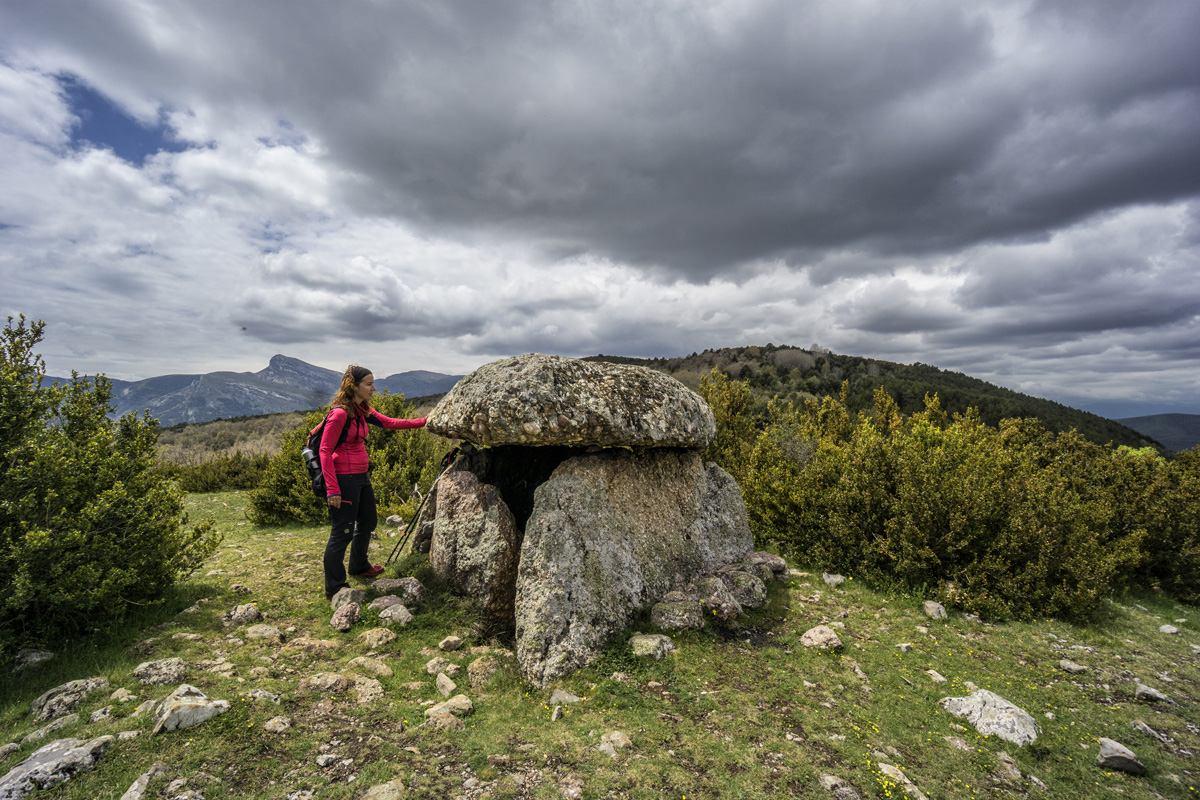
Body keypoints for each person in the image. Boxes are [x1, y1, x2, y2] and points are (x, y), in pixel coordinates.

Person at [319, 364, 426, 600]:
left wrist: (424, 421)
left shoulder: (362, 410)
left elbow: (389, 422)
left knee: (368, 521)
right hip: (343, 480)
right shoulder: (340, 414)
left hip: (361, 477)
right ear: (353, 386)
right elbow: (324, 451)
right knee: (342, 532)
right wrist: (332, 489)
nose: (373, 388)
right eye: (369, 384)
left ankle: (358, 566)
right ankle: (334, 587)